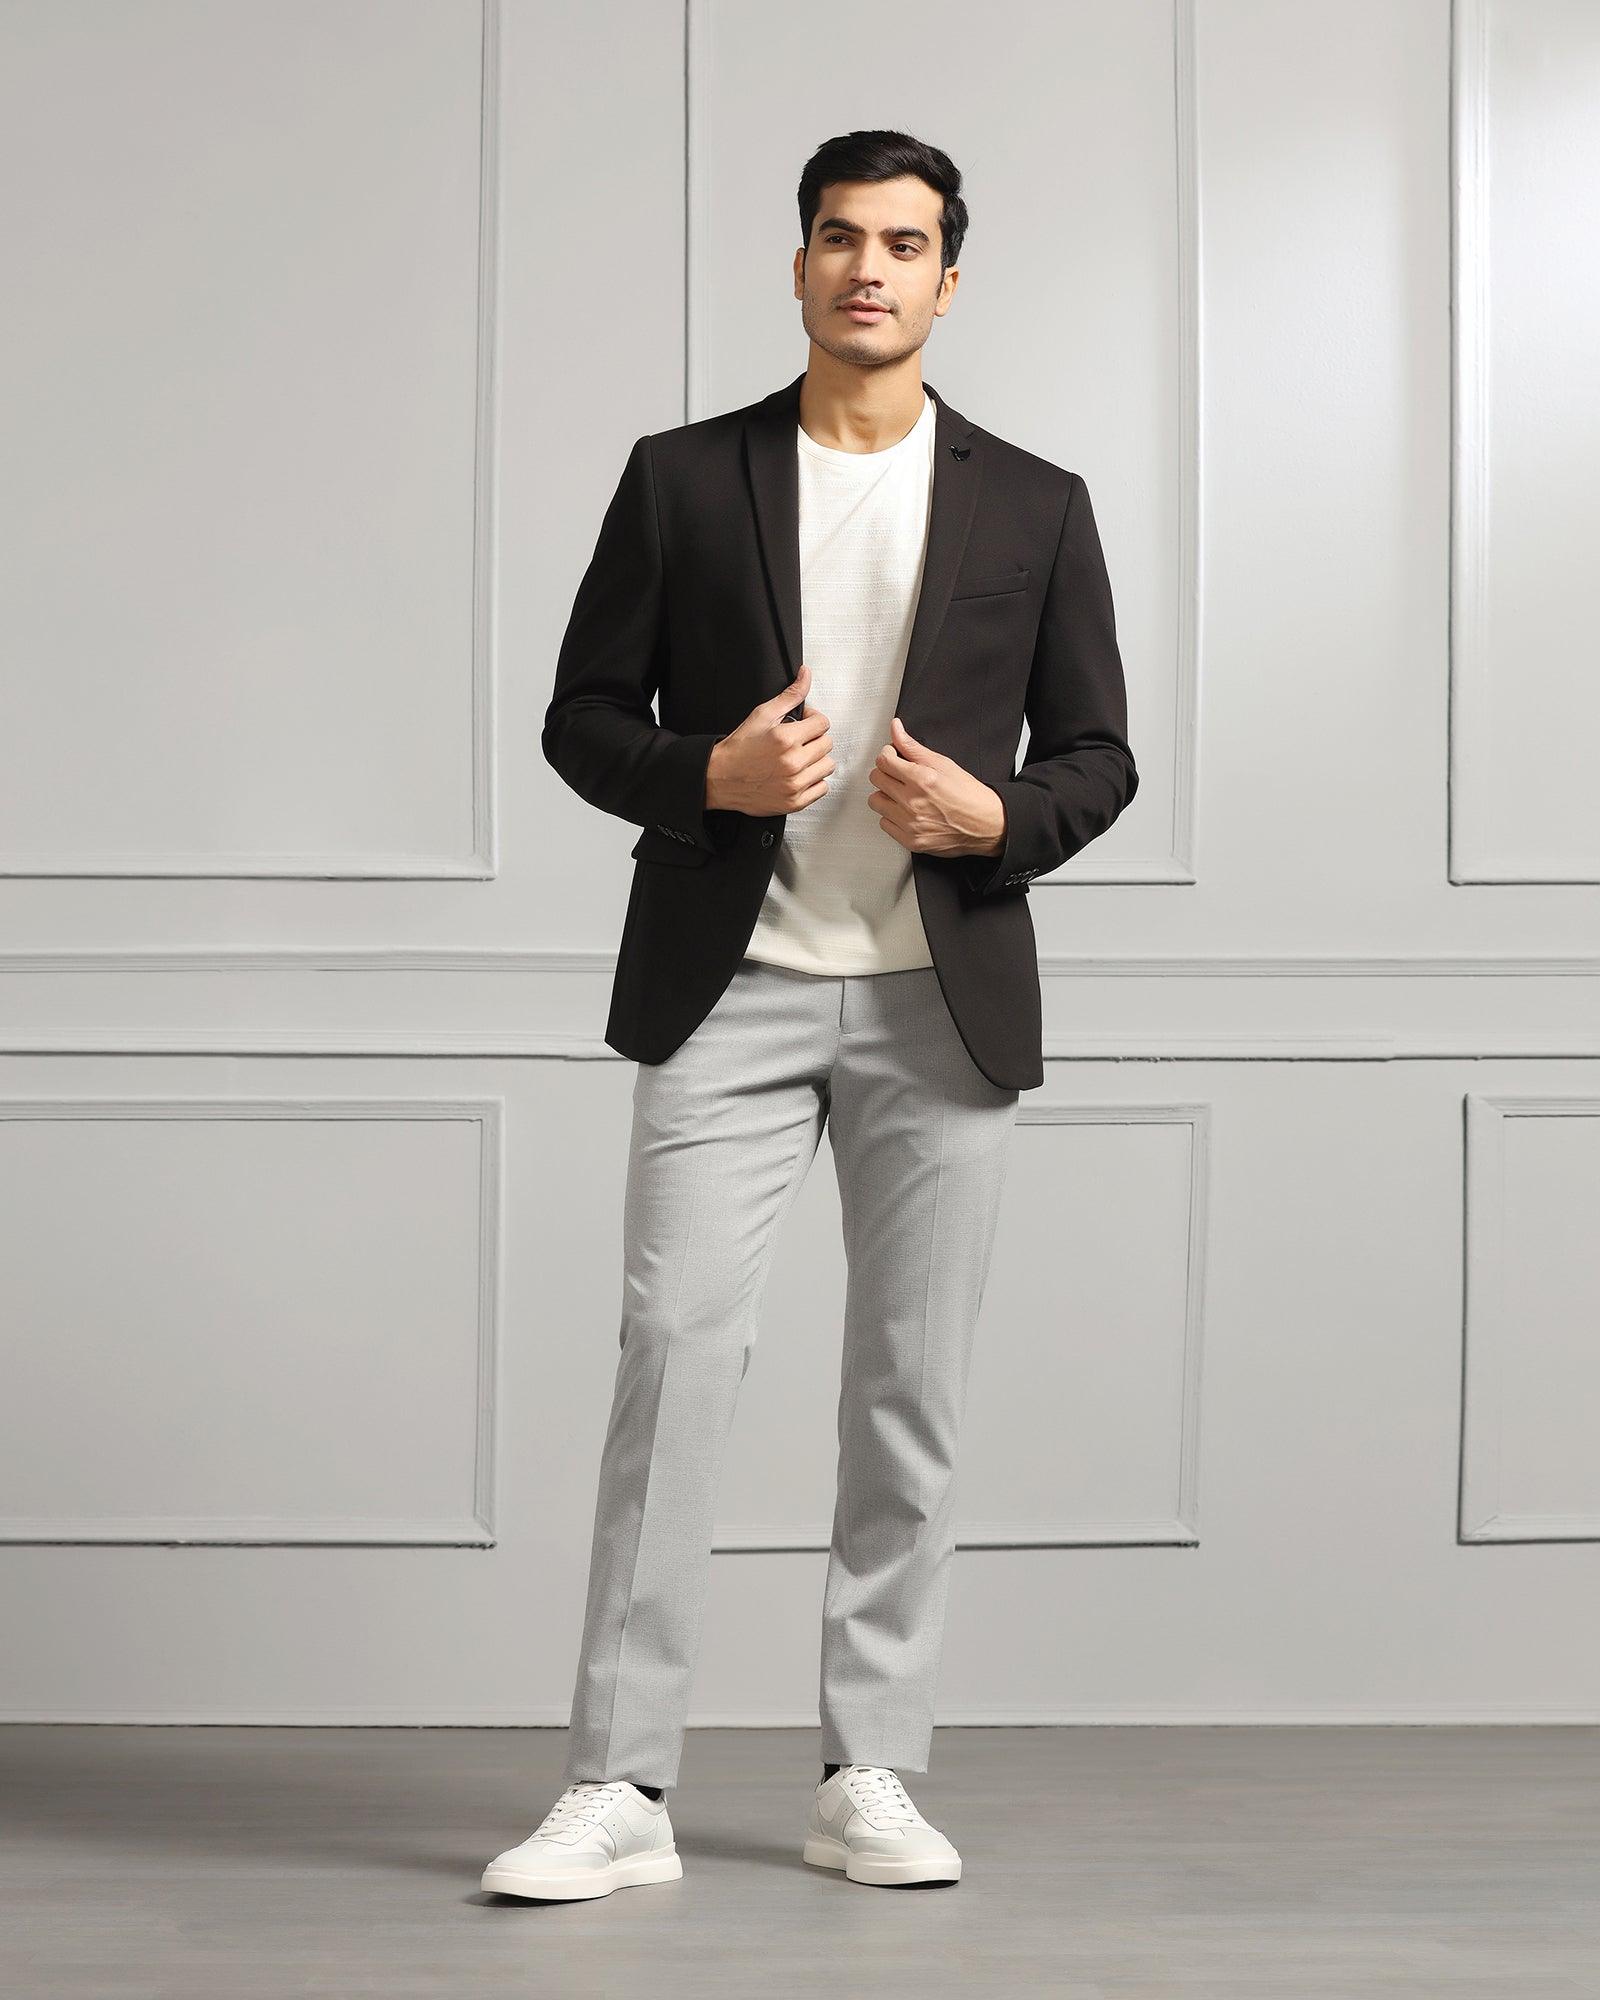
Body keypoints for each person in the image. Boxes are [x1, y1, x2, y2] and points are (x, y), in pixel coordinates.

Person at [481, 126, 1138, 1903]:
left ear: (948, 279)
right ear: (799, 267)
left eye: (905, 243)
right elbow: (580, 717)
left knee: (911, 1392)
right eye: (842, 237)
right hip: (732, 989)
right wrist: (708, 770)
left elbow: (1098, 755)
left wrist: (999, 817)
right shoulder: (682, 478)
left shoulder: (1036, 502)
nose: (869, 268)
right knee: (674, 1362)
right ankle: (618, 1788)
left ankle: (873, 1772)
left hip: (942, 998)